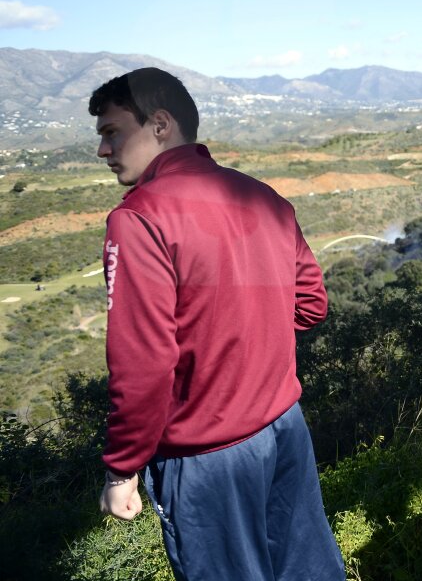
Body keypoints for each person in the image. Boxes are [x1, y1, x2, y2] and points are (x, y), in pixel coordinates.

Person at [90, 67, 345, 581]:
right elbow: (311, 305)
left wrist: (122, 469)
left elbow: (143, 364)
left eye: (112, 131)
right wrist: (249, 330)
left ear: (160, 124)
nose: (103, 150)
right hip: (284, 428)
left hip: (207, 456)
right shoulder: (264, 197)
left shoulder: (139, 218)